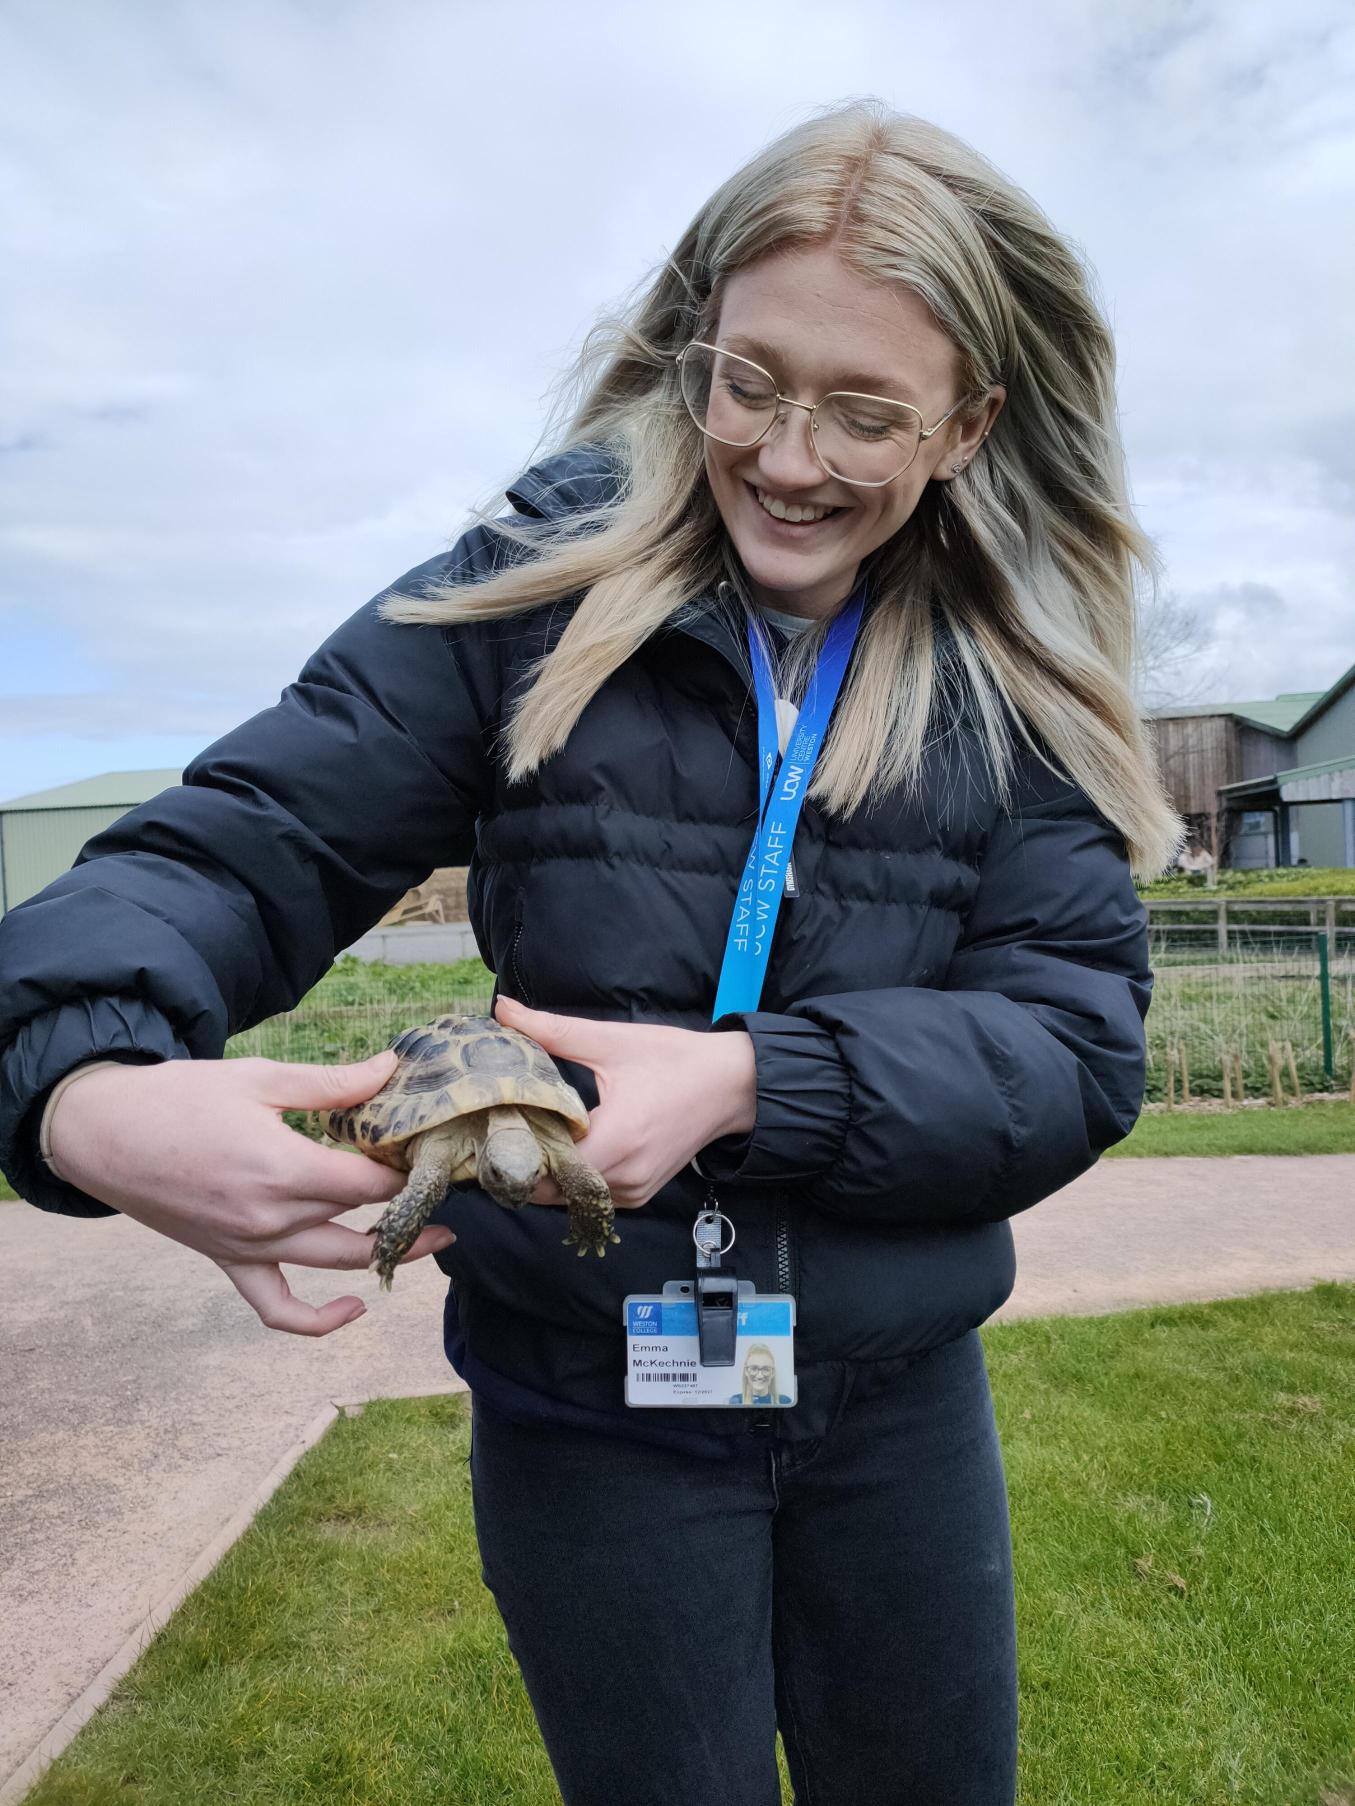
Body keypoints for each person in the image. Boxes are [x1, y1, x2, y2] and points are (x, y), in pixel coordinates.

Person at [0, 100, 1179, 1806]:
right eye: (753, 381)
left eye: (865, 413)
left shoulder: (1013, 676)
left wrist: (754, 1077)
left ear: (969, 423)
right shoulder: (537, 580)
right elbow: (250, 836)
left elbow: (1077, 1051)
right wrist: (80, 1087)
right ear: (692, 339)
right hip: (591, 1413)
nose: (787, 456)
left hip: (896, 1406)